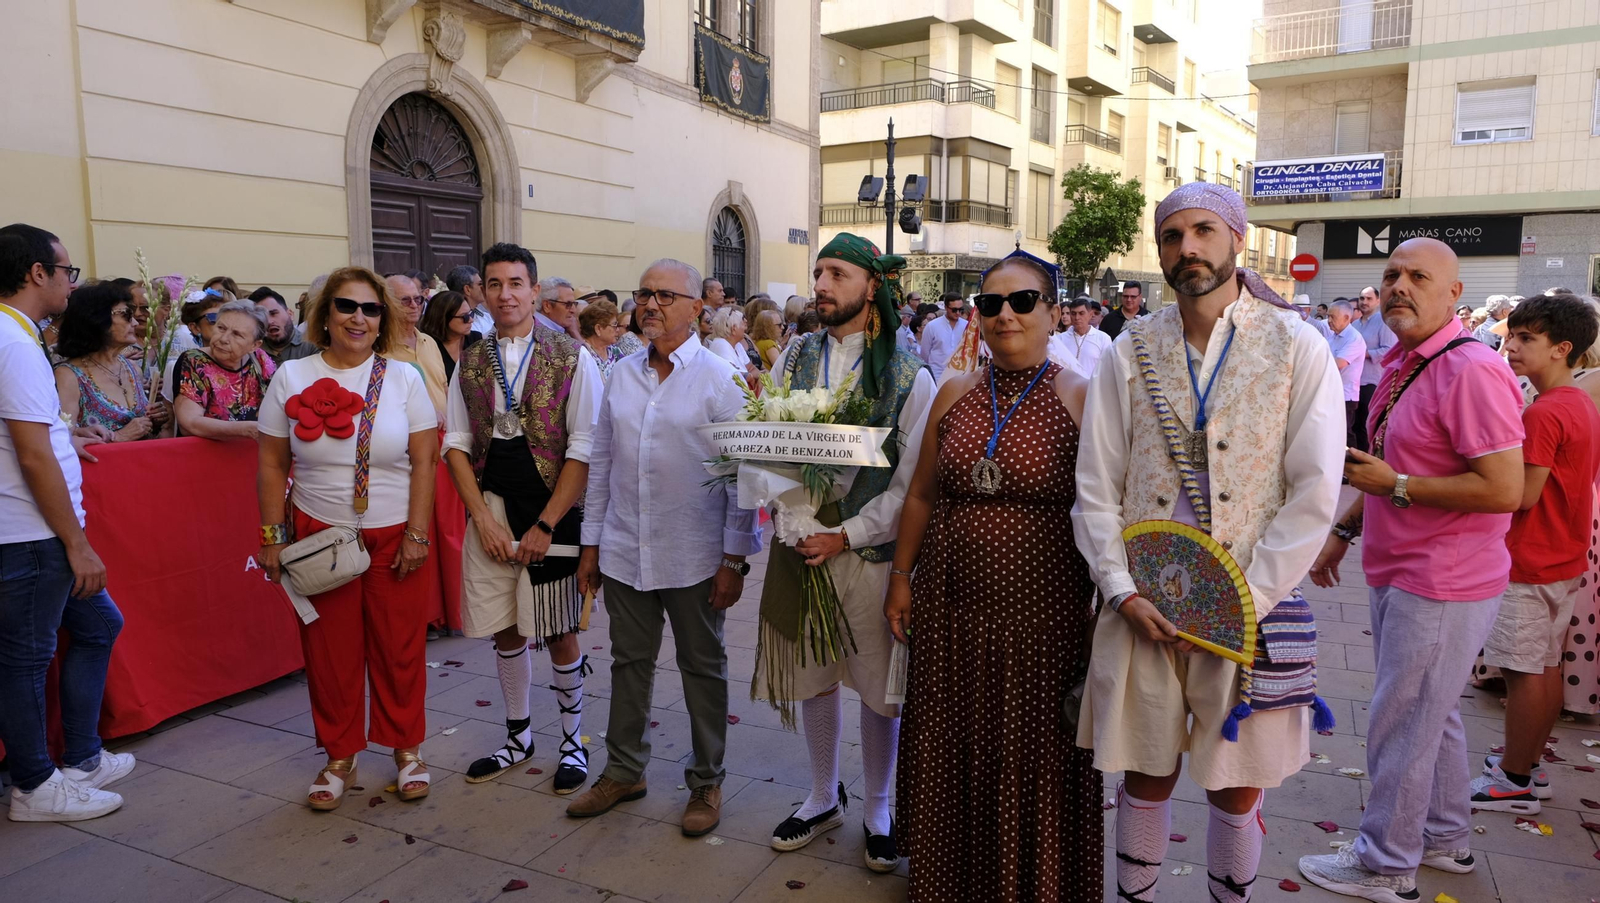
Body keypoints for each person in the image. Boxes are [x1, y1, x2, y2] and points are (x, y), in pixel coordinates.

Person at [1074, 183, 1344, 903]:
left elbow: (1315, 489)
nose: (1187, 248)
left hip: (1246, 608)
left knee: (1236, 781)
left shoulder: (1297, 344)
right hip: (1143, 605)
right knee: (1144, 768)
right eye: (1172, 235)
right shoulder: (1126, 349)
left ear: (1237, 240)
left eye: (1203, 230)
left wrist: (1242, 602)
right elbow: (1096, 484)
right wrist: (1121, 589)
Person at [1299, 238, 1525, 901]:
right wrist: (1345, 530)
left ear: (1454, 294)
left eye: (1419, 276)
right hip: (1405, 571)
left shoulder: (1472, 370)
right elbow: (1391, 470)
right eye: (1392, 273)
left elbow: (1504, 488)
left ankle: (1386, 863)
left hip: (1442, 580)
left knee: (1403, 720)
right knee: (1434, 714)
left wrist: (1397, 484)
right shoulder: (1403, 361)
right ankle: (1445, 838)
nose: (1400, 284)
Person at [887, 249, 1099, 899]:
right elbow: (921, 493)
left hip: (1044, 625)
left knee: (1032, 754)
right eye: (990, 303)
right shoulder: (953, 391)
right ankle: (947, 872)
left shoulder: (1081, 397)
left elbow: (1104, 510)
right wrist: (901, 576)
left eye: (1023, 300)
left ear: (1053, 311)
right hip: (951, 612)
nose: (1005, 314)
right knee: (950, 737)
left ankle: (1028, 880)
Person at [756, 233, 934, 872]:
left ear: (870, 287)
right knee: (813, 675)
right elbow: (766, 439)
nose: (821, 285)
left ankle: (878, 807)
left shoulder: (912, 375)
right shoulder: (794, 357)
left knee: (875, 687)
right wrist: (793, 515)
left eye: (835, 273)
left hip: (868, 553)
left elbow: (914, 481)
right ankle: (821, 793)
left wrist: (846, 534)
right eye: (817, 272)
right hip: (801, 543)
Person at [566, 258, 761, 835]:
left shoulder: (719, 377)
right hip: (627, 547)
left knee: (702, 666)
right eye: (644, 294)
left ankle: (706, 781)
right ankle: (624, 769)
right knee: (629, 663)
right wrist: (591, 545)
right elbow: (602, 463)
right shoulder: (621, 373)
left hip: (695, 553)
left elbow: (741, 476)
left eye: (666, 296)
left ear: (697, 307)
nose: (651, 305)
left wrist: (733, 557)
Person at [257, 265, 439, 810]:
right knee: (330, 651)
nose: (358, 318)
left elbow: (425, 461)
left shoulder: (403, 377)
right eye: (346, 306)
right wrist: (272, 535)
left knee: (399, 647)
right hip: (319, 534)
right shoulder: (291, 376)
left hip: (393, 534)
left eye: (370, 308)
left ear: (382, 317)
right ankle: (339, 755)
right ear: (324, 313)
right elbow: (271, 463)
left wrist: (418, 533)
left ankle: (407, 749)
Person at [439, 244, 603, 794]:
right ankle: (518, 735)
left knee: (557, 629)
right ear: (481, 292)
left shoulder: (574, 356)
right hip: (494, 507)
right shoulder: (471, 359)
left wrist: (548, 524)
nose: (505, 294)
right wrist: (482, 517)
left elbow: (584, 448)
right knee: (504, 628)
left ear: (535, 291)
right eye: (494, 284)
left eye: (515, 283)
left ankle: (574, 742)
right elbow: (456, 444)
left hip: (549, 512)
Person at [0, 224, 131, 823]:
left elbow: (29, 436)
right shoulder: (14, 341)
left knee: (100, 624)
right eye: (67, 272)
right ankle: (33, 784)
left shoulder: (15, 337)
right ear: (37, 274)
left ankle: (81, 757)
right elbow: (29, 454)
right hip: (33, 536)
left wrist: (64, 433)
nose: (70, 284)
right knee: (26, 661)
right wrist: (77, 544)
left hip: (35, 533)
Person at [1467, 292, 1600, 814]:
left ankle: (1516, 779)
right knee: (1542, 667)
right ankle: (1527, 764)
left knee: (1527, 672)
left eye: (1527, 339)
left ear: (1562, 348)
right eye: (1512, 335)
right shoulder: (1578, 403)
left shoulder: (1546, 412)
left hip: (1530, 558)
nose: (1513, 346)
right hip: (1563, 556)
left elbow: (1519, 495)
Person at [54, 282, 171, 442]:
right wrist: (118, 436)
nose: (135, 322)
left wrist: (154, 421)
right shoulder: (69, 376)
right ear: (97, 319)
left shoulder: (132, 369)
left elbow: (143, 431)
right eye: (127, 315)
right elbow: (62, 439)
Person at [172, 300, 274, 439]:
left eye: (237, 334)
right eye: (221, 328)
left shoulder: (260, 360)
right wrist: (244, 429)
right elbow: (190, 423)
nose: (224, 339)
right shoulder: (195, 361)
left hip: (248, 455)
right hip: (204, 455)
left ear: (255, 345)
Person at [384, 272, 449, 418]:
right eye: (405, 300)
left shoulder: (429, 341)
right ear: (388, 304)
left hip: (443, 435)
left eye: (418, 299)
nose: (414, 305)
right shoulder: (380, 349)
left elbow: (443, 387)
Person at [1350, 284, 1398, 453]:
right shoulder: (1355, 325)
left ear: (1378, 301)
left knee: (1365, 426)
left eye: (1369, 298)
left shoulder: (1383, 323)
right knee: (1352, 426)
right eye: (1362, 298)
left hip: (1372, 381)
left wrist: (1363, 353)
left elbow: (1390, 350)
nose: (1364, 302)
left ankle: (1366, 463)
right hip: (1353, 381)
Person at [1324, 300, 1368, 445]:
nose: (1329, 320)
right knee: (1330, 432)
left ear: (1346, 318)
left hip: (1345, 396)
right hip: (1331, 393)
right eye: (1328, 316)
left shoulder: (1354, 338)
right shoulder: (1333, 336)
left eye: (1333, 317)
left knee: (1344, 434)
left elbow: (1338, 364)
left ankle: (1350, 465)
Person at [418, 289, 480, 384]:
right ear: (443, 318)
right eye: (465, 317)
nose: (471, 320)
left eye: (470, 314)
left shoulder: (476, 339)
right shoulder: (428, 346)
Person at [1050, 295, 1112, 379]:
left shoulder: (1103, 339)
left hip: (1091, 388)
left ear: (1090, 315)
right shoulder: (1060, 339)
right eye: (1073, 313)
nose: (1077, 317)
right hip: (1066, 388)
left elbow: (1107, 369)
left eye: (1081, 313)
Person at [251, 287, 316, 367]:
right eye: (263, 317)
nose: (269, 321)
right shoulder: (253, 352)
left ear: (290, 314)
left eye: (273, 313)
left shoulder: (311, 347)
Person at [919, 292, 968, 381]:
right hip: (937, 375)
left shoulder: (966, 326)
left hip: (959, 375)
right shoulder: (932, 326)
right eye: (954, 310)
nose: (958, 313)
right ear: (946, 307)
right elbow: (925, 353)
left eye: (961, 310)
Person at [578, 297, 623, 383]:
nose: (617, 330)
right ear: (598, 329)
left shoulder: (615, 351)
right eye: (614, 325)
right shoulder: (583, 354)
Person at [447, 265, 492, 335]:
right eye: (480, 284)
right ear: (467, 289)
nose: (484, 288)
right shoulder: (454, 322)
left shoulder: (486, 316)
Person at [706, 306, 749, 371]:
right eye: (742, 323)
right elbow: (733, 375)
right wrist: (750, 377)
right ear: (734, 329)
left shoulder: (737, 344)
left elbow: (751, 368)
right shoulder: (721, 344)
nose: (745, 327)